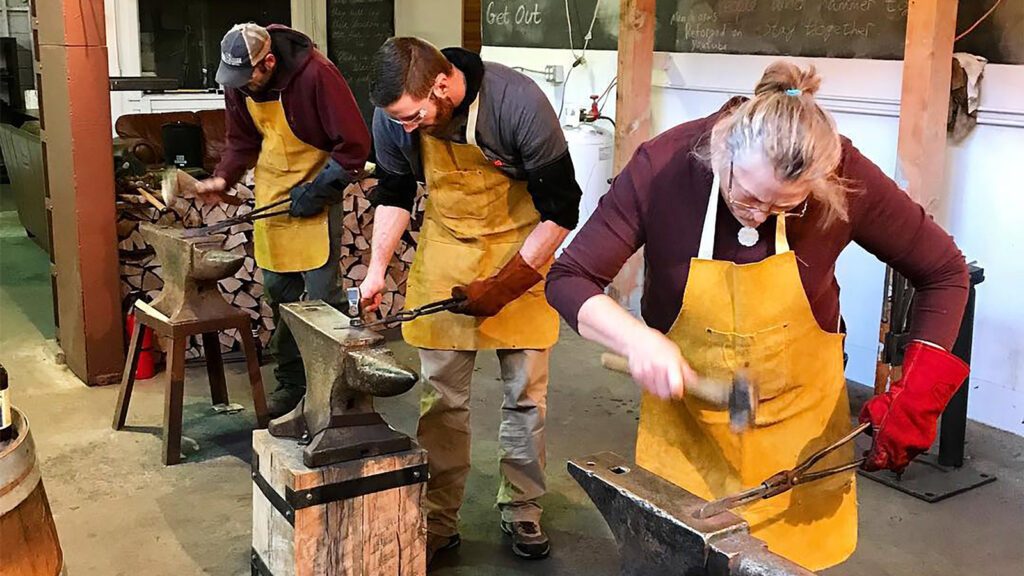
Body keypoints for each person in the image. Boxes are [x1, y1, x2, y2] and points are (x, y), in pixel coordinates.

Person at [545, 62, 970, 571]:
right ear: (722, 151)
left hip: (800, 437)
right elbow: (569, 277)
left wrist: (919, 388)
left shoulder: (843, 171)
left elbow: (944, 269)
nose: (758, 216)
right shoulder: (664, 167)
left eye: (785, 207)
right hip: (689, 433)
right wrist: (636, 338)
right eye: (746, 195)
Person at [359, 37, 583, 564]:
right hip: (448, 247)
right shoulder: (395, 117)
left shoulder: (517, 103)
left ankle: (522, 508)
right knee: (442, 399)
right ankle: (438, 519)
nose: (405, 127)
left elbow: (562, 207)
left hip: (521, 245)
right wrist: (374, 273)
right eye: (398, 119)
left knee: (527, 395)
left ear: (441, 85)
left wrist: (506, 286)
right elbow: (394, 192)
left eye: (413, 116)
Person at [196, 23, 370, 417]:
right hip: (273, 191)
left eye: (247, 77)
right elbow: (242, 140)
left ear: (269, 62)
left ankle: (335, 387)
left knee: (323, 299)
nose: (240, 86)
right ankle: (293, 384)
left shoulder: (316, 74)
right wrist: (225, 176)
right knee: (278, 295)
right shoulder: (240, 82)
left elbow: (355, 145)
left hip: (316, 189)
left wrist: (320, 189)